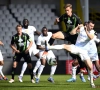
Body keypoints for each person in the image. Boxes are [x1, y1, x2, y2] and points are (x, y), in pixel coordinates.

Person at [46, 22, 96, 88]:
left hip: (84, 52)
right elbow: (72, 33)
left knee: (90, 67)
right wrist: (77, 27)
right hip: (77, 47)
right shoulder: (81, 29)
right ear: (87, 25)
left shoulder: (92, 31)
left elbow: (90, 37)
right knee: (64, 46)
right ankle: (49, 47)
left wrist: (86, 30)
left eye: (92, 26)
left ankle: (92, 83)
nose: (91, 27)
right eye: (90, 26)